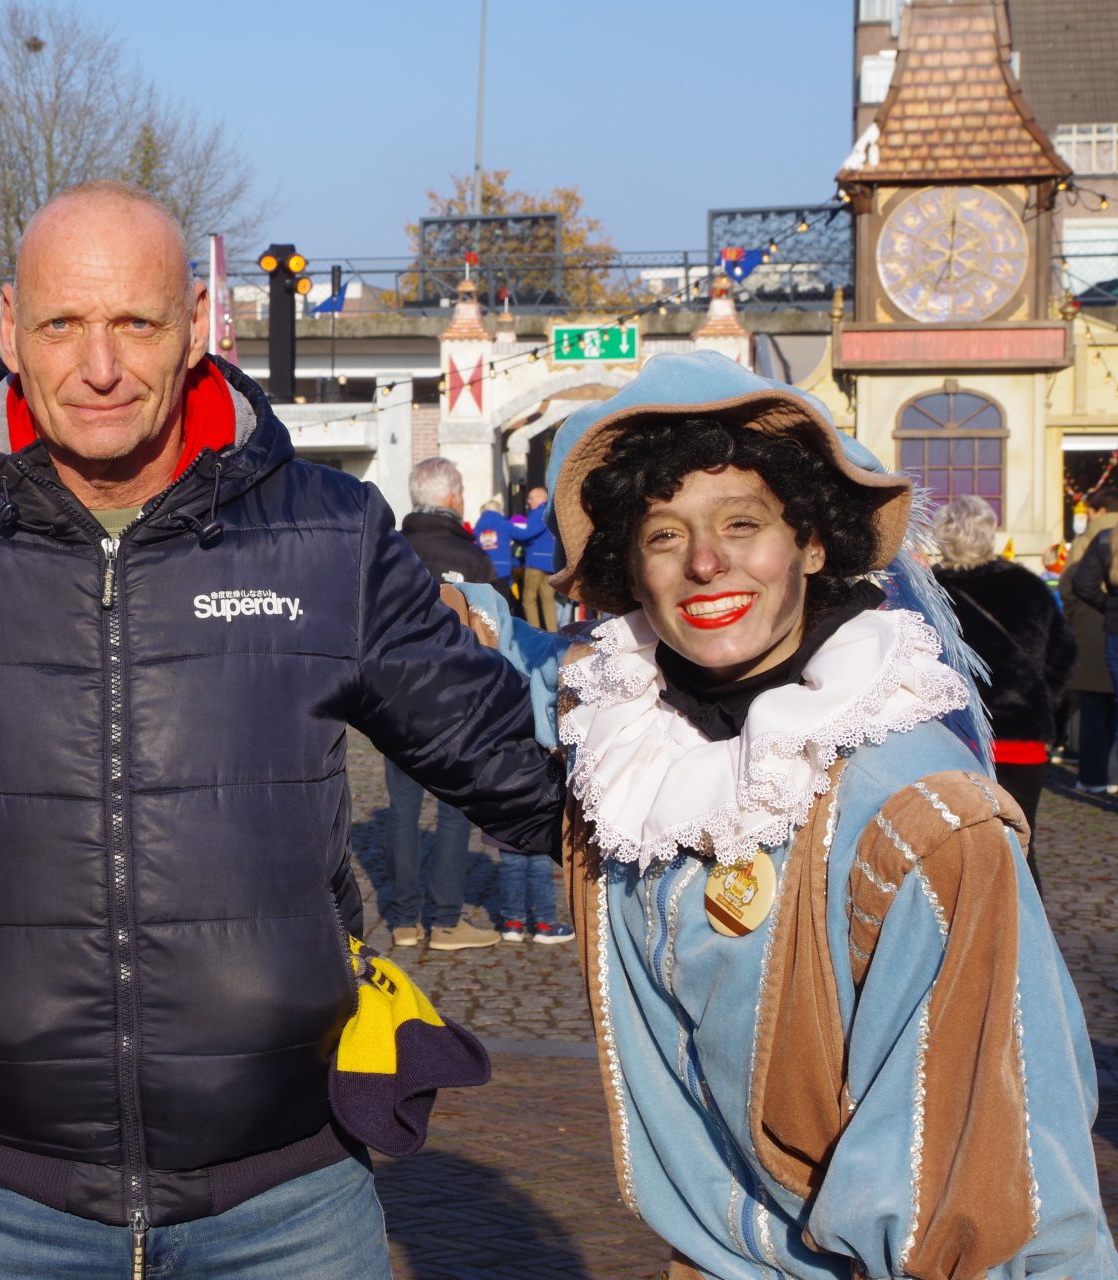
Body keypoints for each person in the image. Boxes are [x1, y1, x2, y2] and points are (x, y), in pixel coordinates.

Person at [0, 180, 564, 1279]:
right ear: (11, 333)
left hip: (288, 1196)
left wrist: (725, 727)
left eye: (137, 322)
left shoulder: (328, 532)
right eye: (63, 324)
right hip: (2, 1198)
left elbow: (521, 772)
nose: (101, 366)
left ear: (196, 328)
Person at [451, 351, 1115, 1279]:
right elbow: (527, 668)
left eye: (742, 523)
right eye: (664, 534)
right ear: (632, 572)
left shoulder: (923, 820)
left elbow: (1012, 1196)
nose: (705, 561)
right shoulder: (629, 738)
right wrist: (426, 598)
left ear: (811, 542)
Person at [384, 458, 498, 950]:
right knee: (453, 813)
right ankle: (447, 921)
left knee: (402, 811)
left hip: (394, 701)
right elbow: (493, 636)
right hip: (458, 704)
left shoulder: (386, 550)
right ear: (452, 498)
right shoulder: (471, 558)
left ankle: (404, 921)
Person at [932, 494, 1073, 890]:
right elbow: (1062, 660)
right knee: (1021, 848)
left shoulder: (929, 593)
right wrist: (1050, 720)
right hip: (1022, 735)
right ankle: (1025, 927)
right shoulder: (1029, 587)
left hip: (952, 739)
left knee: (954, 849)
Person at [1067, 485, 1118, 794]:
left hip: (1096, 631)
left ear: (1098, 510)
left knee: (1094, 709)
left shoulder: (1091, 540)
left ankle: (1094, 777)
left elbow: (1073, 587)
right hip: (1104, 627)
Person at [511, 485, 559, 629]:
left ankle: (535, 632)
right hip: (551, 563)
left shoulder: (539, 513)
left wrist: (508, 528)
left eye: (531, 498)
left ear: (541, 497)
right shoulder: (554, 513)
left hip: (536, 563)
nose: (528, 502)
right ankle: (553, 633)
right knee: (548, 600)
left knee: (528, 599)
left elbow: (527, 534)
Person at [472, 496, 522, 598]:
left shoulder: (478, 527)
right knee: (502, 600)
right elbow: (524, 535)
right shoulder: (504, 524)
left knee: (486, 600)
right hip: (502, 568)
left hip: (484, 567)